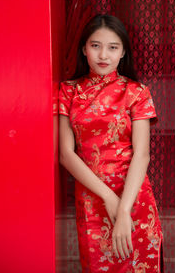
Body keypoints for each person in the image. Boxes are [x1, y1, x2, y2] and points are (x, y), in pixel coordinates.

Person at [59, 14, 164, 272]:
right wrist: (108, 197)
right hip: (93, 199)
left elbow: (142, 155)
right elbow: (65, 154)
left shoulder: (137, 92)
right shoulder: (68, 91)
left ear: (123, 52)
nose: (103, 55)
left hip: (134, 198)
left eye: (112, 47)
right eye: (95, 45)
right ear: (84, 49)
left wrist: (124, 209)